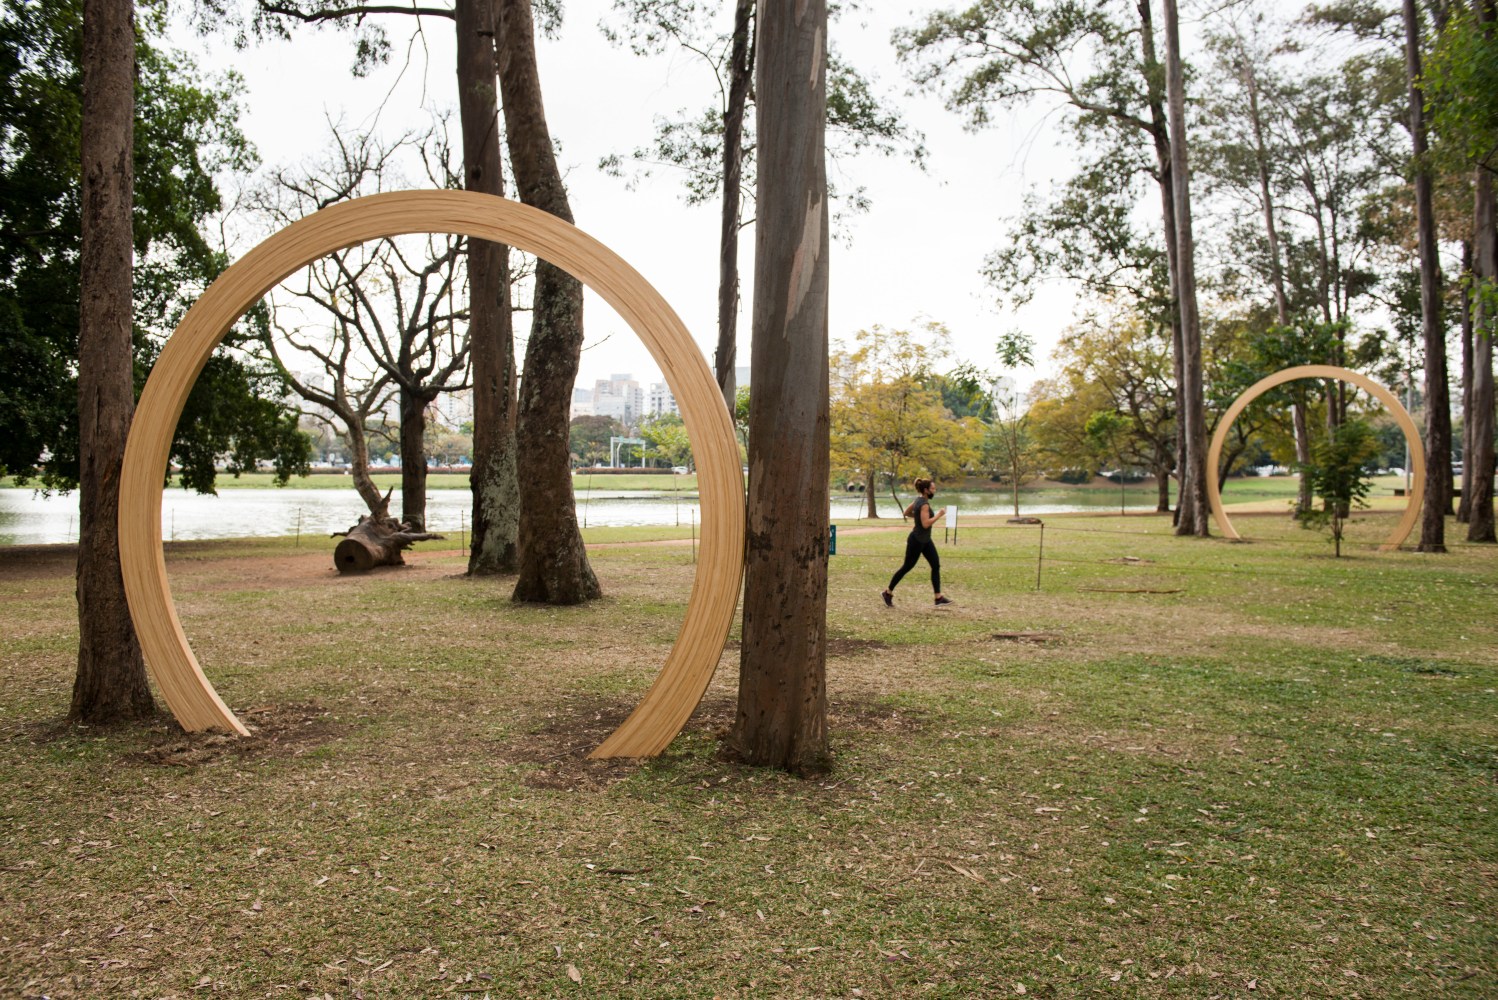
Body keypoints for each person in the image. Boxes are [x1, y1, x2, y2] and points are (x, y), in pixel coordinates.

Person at [882, 477, 953, 607]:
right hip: (916, 540)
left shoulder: (918, 500)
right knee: (907, 567)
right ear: (926, 490)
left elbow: (906, 513)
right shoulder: (924, 504)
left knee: (935, 565)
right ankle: (887, 592)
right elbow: (925, 524)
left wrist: (919, 516)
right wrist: (939, 515)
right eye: (932, 489)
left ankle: (938, 597)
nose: (934, 491)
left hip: (925, 540)